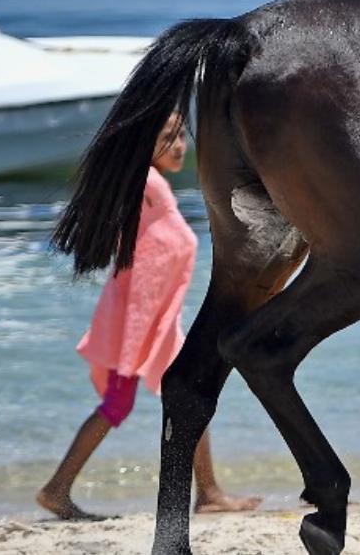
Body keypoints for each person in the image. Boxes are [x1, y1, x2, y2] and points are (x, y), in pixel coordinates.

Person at [38, 113, 261, 520]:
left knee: (190, 394)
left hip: (157, 326)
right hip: (137, 325)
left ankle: (209, 492)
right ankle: (56, 489)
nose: (181, 146)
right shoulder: (145, 183)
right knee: (119, 404)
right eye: (168, 137)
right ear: (145, 143)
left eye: (182, 137)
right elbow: (143, 270)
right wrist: (131, 348)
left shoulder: (154, 187)